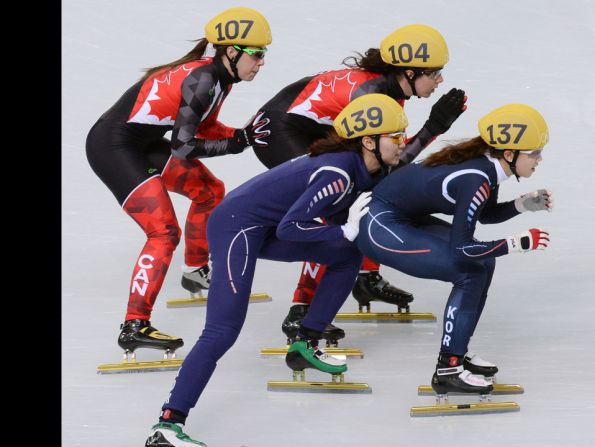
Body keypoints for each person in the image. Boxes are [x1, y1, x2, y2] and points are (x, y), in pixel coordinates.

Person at [144, 94, 408, 446]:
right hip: (235, 225)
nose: (403, 143)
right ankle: (167, 424)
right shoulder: (338, 172)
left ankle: (305, 343)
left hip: (263, 225)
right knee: (222, 330)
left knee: (347, 255)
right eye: (397, 137)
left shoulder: (365, 168)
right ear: (369, 141)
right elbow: (291, 228)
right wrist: (343, 230)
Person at [246, 23, 468, 342]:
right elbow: (393, 162)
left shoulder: (390, 91)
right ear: (408, 72)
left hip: (306, 125)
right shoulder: (374, 95)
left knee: (370, 191)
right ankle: (301, 310)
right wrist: (433, 128)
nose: (440, 80)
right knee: (338, 205)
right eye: (434, 72)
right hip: (283, 132)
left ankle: (364, 276)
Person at [84, 7, 273, 358]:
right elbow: (184, 146)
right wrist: (236, 143)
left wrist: (241, 135)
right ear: (231, 51)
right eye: (257, 54)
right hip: (114, 147)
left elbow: (202, 129)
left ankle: (194, 270)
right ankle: (134, 325)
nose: (261, 62)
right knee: (163, 231)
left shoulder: (219, 79)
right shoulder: (203, 79)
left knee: (210, 191)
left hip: (144, 142)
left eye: (264, 54)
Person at [355, 104, 554, 396]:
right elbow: (462, 249)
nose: (539, 159)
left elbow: (483, 214)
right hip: (378, 225)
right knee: (469, 271)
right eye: (534, 152)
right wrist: (516, 244)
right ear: (509, 154)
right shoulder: (476, 177)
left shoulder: (489, 167)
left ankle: (456, 355)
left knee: (484, 265)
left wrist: (521, 205)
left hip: (405, 217)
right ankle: (448, 369)